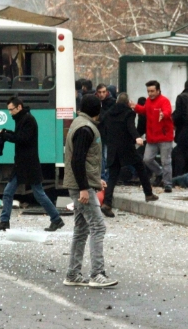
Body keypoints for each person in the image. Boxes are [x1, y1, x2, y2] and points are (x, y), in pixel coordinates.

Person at [62, 94, 118, 288]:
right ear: (98, 109)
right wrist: (85, 188)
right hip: (80, 188)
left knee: (81, 229)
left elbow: (83, 161)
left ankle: (73, 273)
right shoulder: (86, 129)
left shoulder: (78, 124)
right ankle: (97, 274)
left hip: (78, 185)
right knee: (98, 227)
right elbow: (77, 161)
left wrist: (95, 180)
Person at [0, 97, 65, 232]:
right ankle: (4, 221)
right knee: (8, 192)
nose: (10, 113)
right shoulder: (23, 119)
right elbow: (20, 136)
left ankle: (56, 219)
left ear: (19, 107)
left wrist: (6, 136)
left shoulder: (28, 120)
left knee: (38, 194)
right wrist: (6, 133)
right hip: (22, 164)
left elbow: (23, 139)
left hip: (29, 164)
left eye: (11, 110)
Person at [100, 92, 158, 217]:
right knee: (140, 167)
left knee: (112, 177)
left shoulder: (108, 114)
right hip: (126, 148)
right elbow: (130, 126)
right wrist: (137, 137)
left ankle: (106, 204)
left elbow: (103, 129)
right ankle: (148, 194)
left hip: (112, 148)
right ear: (127, 103)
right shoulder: (129, 113)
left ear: (116, 102)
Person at [131, 80, 174, 192]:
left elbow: (168, 111)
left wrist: (163, 114)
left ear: (158, 90)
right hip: (152, 137)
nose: (150, 93)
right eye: (148, 91)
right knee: (147, 159)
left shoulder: (164, 101)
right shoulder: (148, 101)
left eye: (152, 91)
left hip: (164, 137)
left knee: (166, 161)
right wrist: (135, 107)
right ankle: (160, 172)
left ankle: (168, 183)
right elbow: (145, 110)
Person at [96, 83, 116, 182]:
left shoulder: (112, 102)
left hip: (109, 132)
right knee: (102, 155)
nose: (101, 94)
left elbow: (108, 116)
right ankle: (103, 177)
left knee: (107, 155)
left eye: (103, 92)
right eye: (100, 92)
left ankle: (106, 177)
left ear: (107, 92)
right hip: (100, 132)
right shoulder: (96, 102)